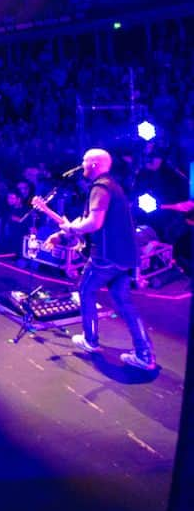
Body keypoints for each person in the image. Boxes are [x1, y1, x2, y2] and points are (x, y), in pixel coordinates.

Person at [36, 148, 156, 370]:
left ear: (93, 164)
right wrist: (62, 229)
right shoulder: (111, 186)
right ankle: (145, 355)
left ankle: (90, 340)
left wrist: (70, 228)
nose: (81, 165)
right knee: (123, 302)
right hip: (123, 256)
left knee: (85, 290)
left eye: (84, 161)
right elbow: (86, 219)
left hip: (106, 255)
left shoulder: (101, 187)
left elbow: (93, 224)